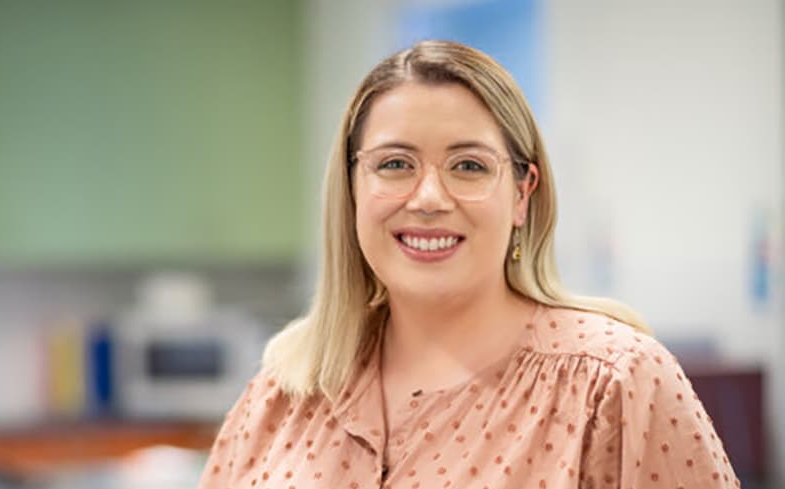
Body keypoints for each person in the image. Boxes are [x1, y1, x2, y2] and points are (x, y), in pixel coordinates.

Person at [198, 40, 738, 489]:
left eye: (469, 166)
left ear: (523, 194)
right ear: (352, 188)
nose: (429, 197)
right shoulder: (283, 394)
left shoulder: (614, 385)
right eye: (394, 164)